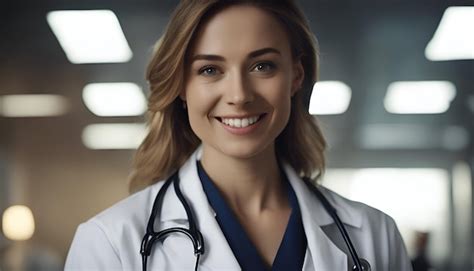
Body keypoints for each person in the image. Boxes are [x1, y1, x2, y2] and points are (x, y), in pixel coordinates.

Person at [65, 0, 412, 270]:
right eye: (210, 70)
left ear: (295, 76)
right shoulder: (109, 242)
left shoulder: (373, 236)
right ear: (181, 87)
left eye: (263, 66)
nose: (239, 95)